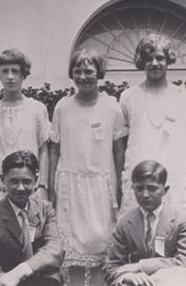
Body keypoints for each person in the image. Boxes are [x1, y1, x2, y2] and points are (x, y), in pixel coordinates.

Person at [49, 49, 127, 285]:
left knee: (98, 250)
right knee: (73, 255)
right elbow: (54, 148)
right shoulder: (63, 107)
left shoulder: (112, 107)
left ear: (99, 73)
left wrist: (120, 184)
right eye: (78, 71)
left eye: (88, 71)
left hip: (101, 186)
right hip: (69, 186)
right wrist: (51, 184)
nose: (83, 76)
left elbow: (119, 149)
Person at [118, 33, 186, 225]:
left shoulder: (183, 96)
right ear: (142, 61)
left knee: (176, 232)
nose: (154, 63)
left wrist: (177, 167)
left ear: (168, 59)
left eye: (160, 58)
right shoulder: (129, 97)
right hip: (140, 180)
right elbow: (121, 143)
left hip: (174, 181)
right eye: (149, 58)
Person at [0, 150, 64, 286]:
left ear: (36, 180)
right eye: (13, 181)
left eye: (26, 181)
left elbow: (54, 248)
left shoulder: (45, 209)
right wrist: (6, 281)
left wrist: (22, 270)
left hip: (43, 281)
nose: (20, 188)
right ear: (2, 179)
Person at [103, 160, 186, 286]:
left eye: (152, 188)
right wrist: (127, 276)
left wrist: (140, 266)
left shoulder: (181, 219)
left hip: (172, 280)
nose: (145, 195)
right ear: (133, 188)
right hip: (139, 282)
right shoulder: (125, 222)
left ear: (165, 190)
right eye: (139, 188)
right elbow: (111, 267)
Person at [0, 49, 51, 209]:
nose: (10, 77)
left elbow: (44, 150)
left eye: (15, 71)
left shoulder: (37, 109)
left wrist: (42, 186)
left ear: (24, 75)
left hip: (29, 191)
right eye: (5, 71)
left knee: (30, 233)